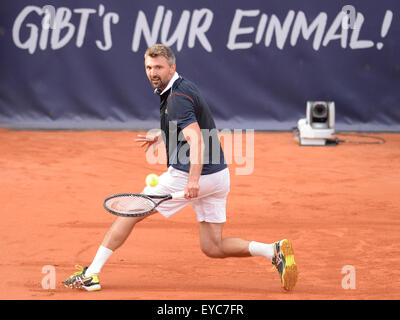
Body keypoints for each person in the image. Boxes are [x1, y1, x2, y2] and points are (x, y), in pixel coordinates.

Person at [63, 44, 298, 292]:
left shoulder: (175, 99)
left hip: (191, 174)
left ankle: (92, 274)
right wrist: (164, 135)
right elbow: (191, 126)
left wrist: (193, 181)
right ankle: (273, 251)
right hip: (218, 177)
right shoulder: (181, 87)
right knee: (213, 246)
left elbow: (196, 140)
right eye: (149, 67)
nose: (153, 72)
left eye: (158, 67)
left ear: (172, 67)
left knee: (130, 212)